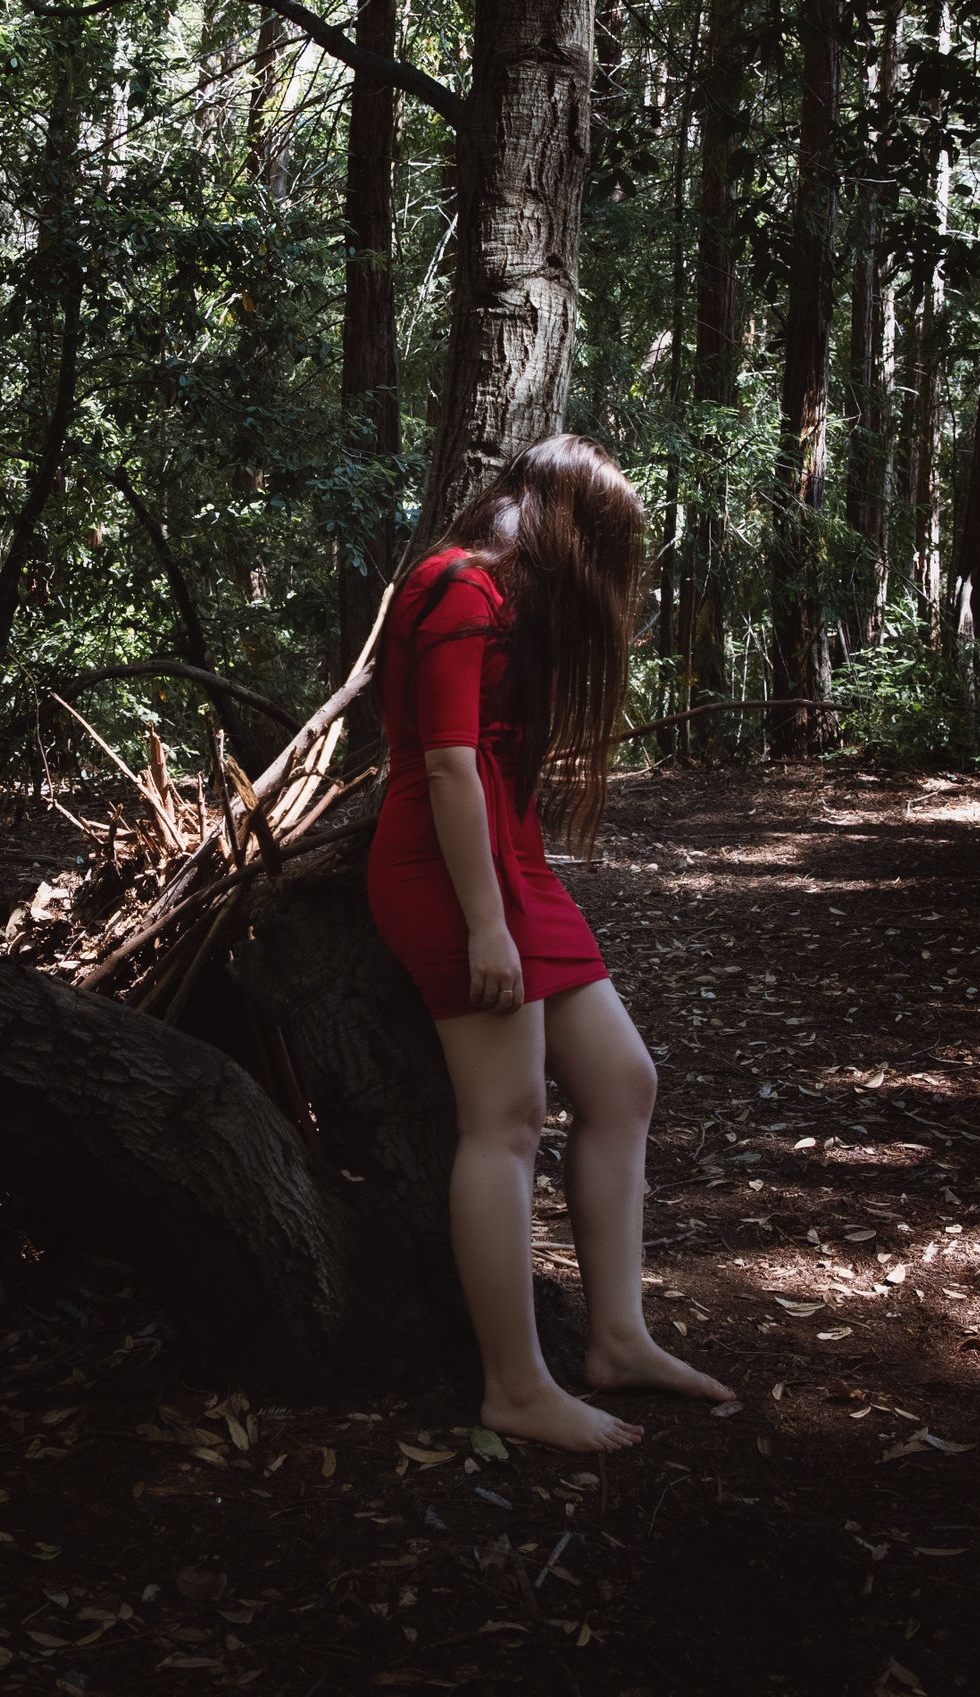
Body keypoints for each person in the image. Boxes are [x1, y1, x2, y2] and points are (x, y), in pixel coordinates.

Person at [367, 434, 735, 1453]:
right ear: (561, 521)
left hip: (514, 859)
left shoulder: (504, 597)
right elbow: (447, 766)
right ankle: (516, 1386)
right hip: (448, 867)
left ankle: (615, 1339)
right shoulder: (456, 584)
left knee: (622, 1080)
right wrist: (485, 923)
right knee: (507, 1120)